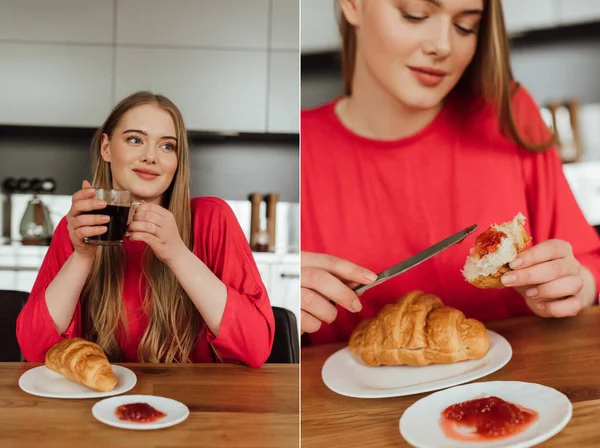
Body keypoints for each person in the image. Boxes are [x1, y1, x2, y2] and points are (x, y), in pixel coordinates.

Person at [300, 0, 600, 343]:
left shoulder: (509, 115)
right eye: (415, 14)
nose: (443, 46)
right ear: (353, 5)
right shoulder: (305, 145)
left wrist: (571, 285)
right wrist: (291, 304)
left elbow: (587, 267)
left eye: (465, 26)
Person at [17, 91, 275, 367]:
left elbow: (255, 348)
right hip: (100, 403)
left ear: (177, 161)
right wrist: (82, 256)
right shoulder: (80, 226)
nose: (151, 156)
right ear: (106, 147)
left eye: (167, 146)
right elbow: (36, 351)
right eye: (135, 140)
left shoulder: (212, 218)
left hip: (195, 404)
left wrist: (177, 253)